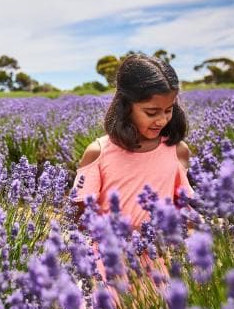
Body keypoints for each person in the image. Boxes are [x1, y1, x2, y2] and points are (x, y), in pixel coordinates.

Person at [73, 53, 194, 228]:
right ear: (126, 106)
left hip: (159, 253)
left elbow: (180, 205)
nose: (162, 120)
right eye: (151, 113)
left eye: (169, 110)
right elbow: (78, 217)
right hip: (109, 253)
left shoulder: (177, 150)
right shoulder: (98, 153)